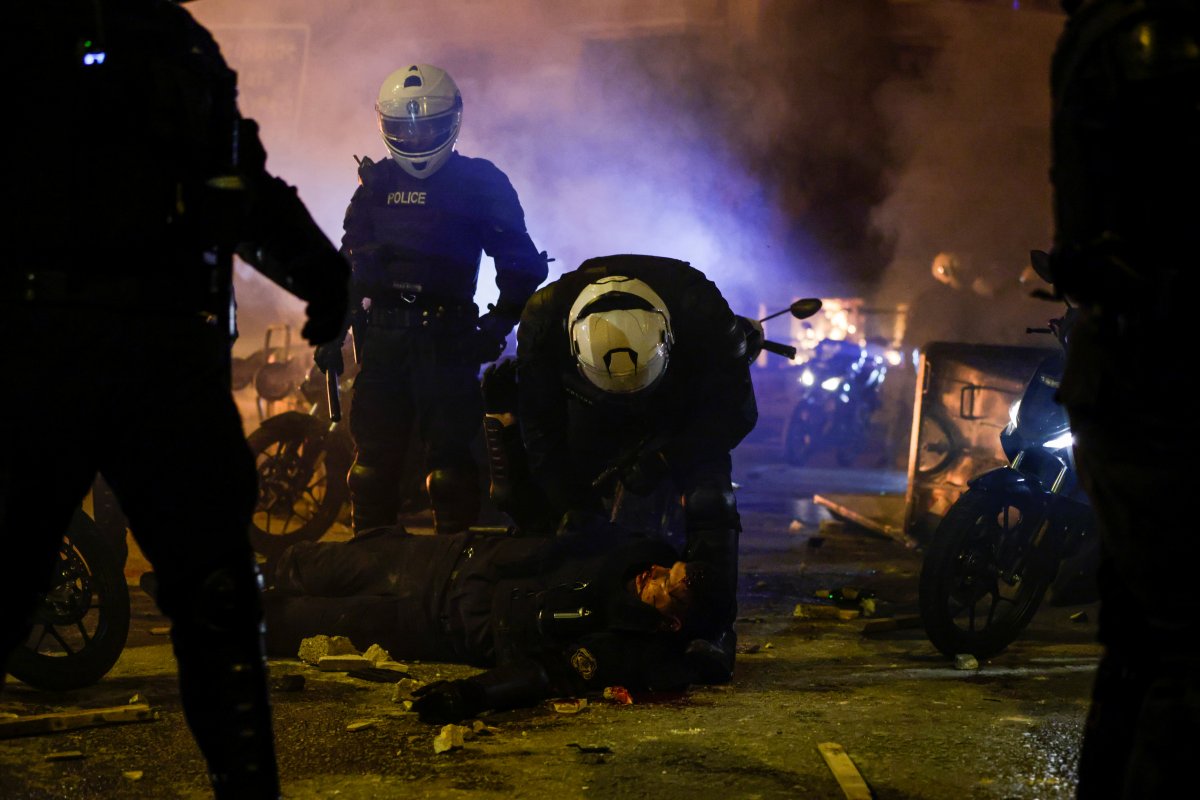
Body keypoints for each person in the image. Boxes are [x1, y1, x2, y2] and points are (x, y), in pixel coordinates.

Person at [1, 3, 350, 798]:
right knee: (214, 602)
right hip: (124, 356)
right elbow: (238, 186)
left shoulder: (161, 40)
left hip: (98, 356)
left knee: (214, 599)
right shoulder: (163, 41)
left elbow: (234, 181)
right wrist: (320, 274)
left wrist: (320, 273)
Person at [1048, 1, 1200, 796]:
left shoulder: (1114, 34)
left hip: (1139, 382)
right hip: (1171, 389)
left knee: (1147, 653)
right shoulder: (1154, 37)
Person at [314, 63, 548, 536]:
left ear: (452, 122)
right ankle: (374, 569)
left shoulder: (479, 181)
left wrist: (497, 326)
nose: (417, 140)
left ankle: (452, 576)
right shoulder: (374, 185)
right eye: (405, 129)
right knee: (371, 469)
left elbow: (520, 264)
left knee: (448, 469)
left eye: (429, 128)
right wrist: (332, 332)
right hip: (385, 346)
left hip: (446, 342)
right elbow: (348, 267)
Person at [514, 254, 757, 682]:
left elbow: (736, 413)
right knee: (562, 510)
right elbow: (539, 430)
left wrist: (669, 456)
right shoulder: (542, 317)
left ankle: (713, 629)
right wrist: (570, 501)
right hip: (590, 410)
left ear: (668, 336)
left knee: (710, 495)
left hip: (680, 410)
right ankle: (565, 611)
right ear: (573, 346)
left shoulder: (701, 307)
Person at [262, 522, 718, 723]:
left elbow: (547, 673)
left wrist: (474, 693)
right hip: (438, 559)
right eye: (665, 569)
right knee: (300, 564)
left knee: (286, 623)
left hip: (435, 622)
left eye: (666, 589)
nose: (653, 575)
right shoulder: (627, 548)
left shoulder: (627, 644)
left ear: (672, 623)